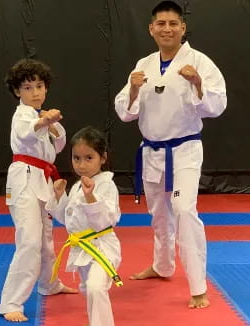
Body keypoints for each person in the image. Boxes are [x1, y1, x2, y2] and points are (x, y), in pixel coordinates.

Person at [114, 0, 227, 309]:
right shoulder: (144, 64)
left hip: (185, 149)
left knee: (184, 210)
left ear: (183, 28)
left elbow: (217, 106)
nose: (167, 28)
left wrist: (198, 83)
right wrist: (134, 90)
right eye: (160, 24)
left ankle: (198, 287)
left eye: (173, 23)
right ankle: (162, 266)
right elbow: (125, 112)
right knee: (159, 214)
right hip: (151, 151)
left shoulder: (200, 62)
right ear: (151, 29)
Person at [0, 58, 77, 322]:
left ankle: (49, 284)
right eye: (28, 87)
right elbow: (25, 134)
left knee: (45, 240)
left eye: (40, 86)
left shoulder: (39, 115)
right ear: (17, 91)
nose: (35, 92)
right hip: (23, 179)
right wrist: (44, 123)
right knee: (29, 241)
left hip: (43, 178)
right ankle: (11, 301)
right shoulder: (22, 115)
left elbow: (57, 146)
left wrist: (50, 122)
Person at [46, 126, 122, 326]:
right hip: (81, 249)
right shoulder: (78, 185)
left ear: (102, 158)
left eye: (89, 158)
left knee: (96, 287)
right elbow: (67, 219)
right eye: (76, 158)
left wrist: (91, 197)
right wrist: (60, 196)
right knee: (88, 290)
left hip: (102, 247)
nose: (81, 165)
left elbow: (104, 222)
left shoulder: (107, 184)